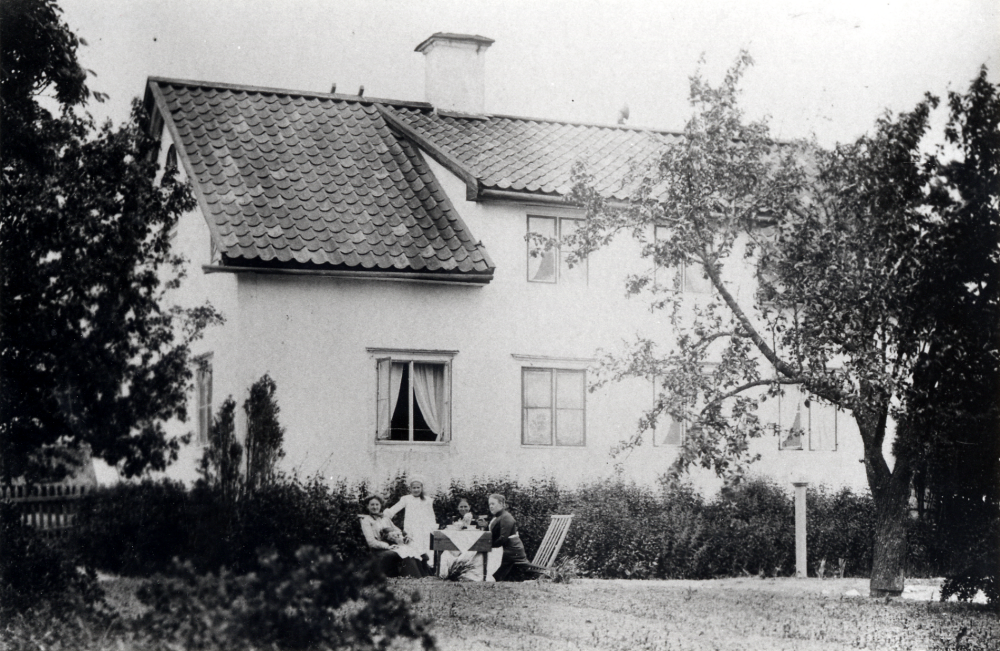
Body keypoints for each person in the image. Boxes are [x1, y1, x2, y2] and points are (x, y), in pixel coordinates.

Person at [358, 495, 425, 578]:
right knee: (404, 551)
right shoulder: (366, 521)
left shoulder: (385, 518)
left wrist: (403, 536)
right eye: (372, 505)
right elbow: (371, 542)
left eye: (377, 504)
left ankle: (419, 575)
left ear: (380, 506)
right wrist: (388, 546)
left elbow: (397, 530)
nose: (375, 507)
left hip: (393, 545)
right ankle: (411, 576)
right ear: (367, 506)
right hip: (379, 549)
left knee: (411, 549)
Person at [384, 476, 437, 569]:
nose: (416, 490)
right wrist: (386, 514)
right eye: (414, 488)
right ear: (410, 488)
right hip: (411, 527)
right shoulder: (406, 499)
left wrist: (432, 528)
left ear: (421, 488)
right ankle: (416, 568)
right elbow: (395, 508)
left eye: (418, 487)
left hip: (424, 528)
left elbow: (431, 515)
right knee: (413, 546)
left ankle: (429, 567)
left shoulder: (427, 500)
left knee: (426, 546)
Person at [487, 493, 533, 581]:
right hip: (506, 549)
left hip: (512, 551)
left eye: (493, 504)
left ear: (501, 504)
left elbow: (502, 539)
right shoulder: (499, 516)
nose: (491, 506)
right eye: (489, 504)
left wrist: (489, 545)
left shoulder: (506, 517)